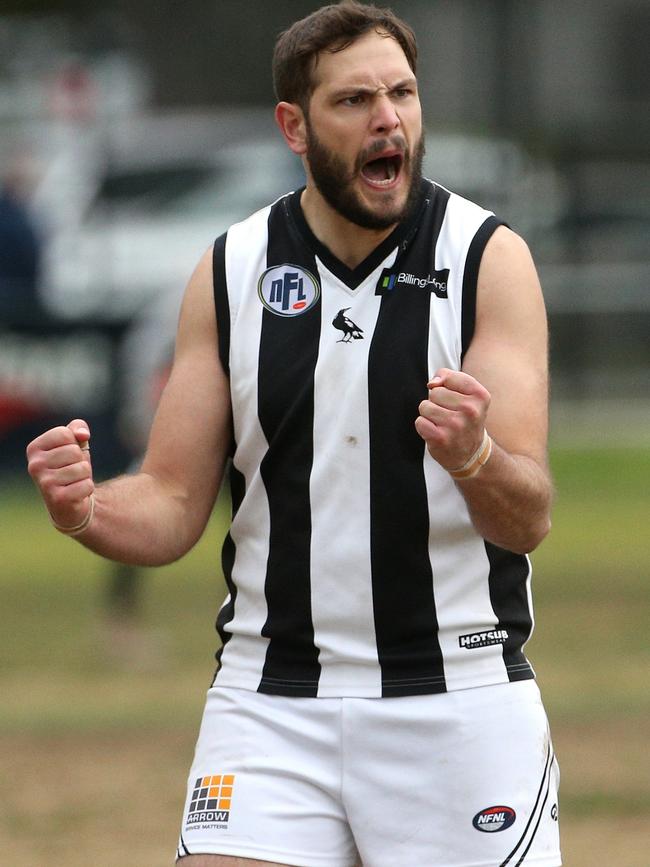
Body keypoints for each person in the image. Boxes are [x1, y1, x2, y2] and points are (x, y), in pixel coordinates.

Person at [26, 2, 561, 865]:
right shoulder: (232, 267)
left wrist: (477, 455)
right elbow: (169, 502)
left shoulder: (486, 260)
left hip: (455, 699)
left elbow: (527, 516)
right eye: (354, 101)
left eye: (403, 94)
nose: (388, 119)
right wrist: (86, 509)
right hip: (270, 698)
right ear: (294, 126)